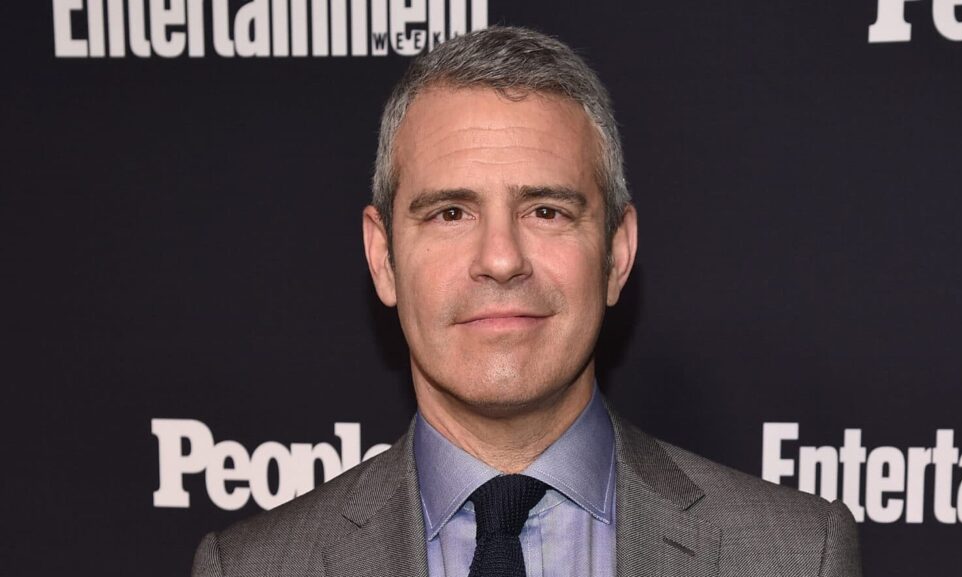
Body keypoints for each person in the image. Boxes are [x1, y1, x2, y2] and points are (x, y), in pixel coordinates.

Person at [192, 26, 861, 577]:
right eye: (451, 212)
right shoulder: (253, 567)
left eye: (546, 209)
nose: (502, 258)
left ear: (617, 253)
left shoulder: (794, 556)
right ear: (382, 257)